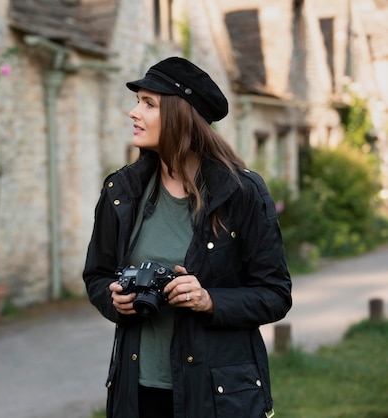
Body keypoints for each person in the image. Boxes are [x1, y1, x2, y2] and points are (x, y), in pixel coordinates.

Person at [82, 57, 292, 418]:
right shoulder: (122, 190)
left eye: (149, 104)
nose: (134, 113)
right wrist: (114, 300)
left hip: (215, 395)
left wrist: (209, 300)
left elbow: (275, 294)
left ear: (182, 116)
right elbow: (97, 276)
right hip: (137, 391)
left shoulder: (241, 192)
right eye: (137, 102)